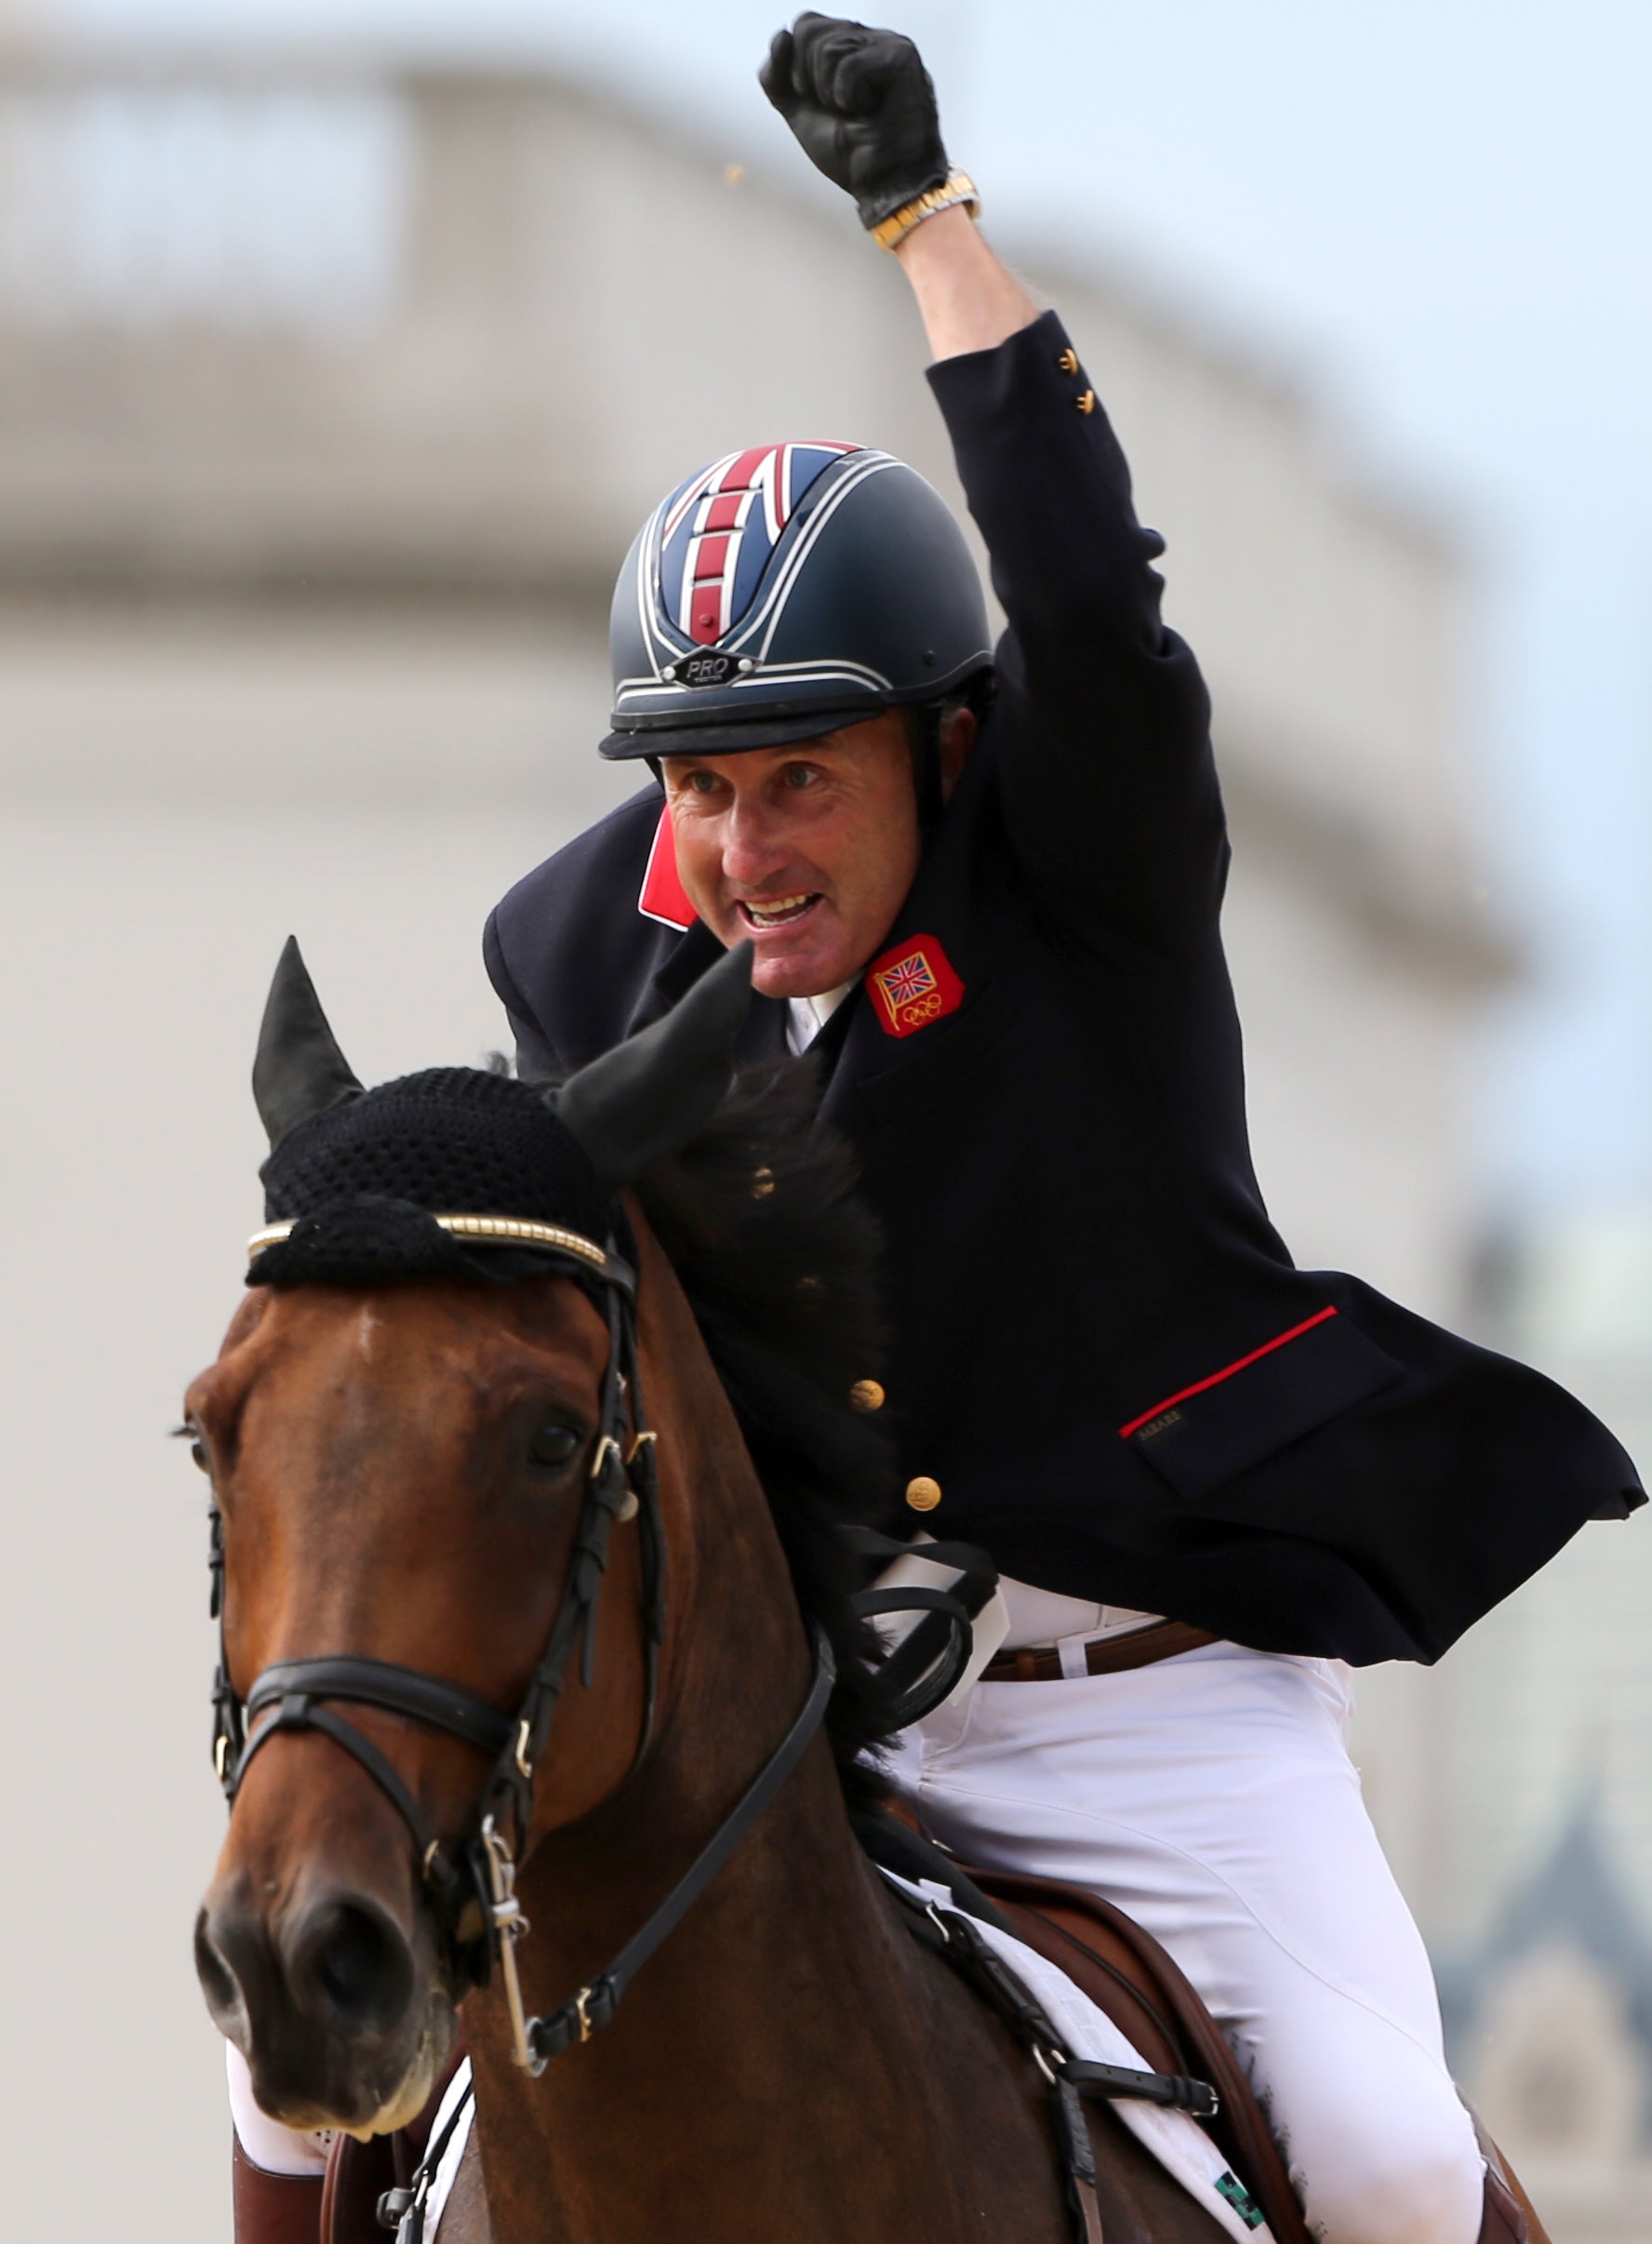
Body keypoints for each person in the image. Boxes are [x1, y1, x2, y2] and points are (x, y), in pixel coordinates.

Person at [483, 19, 1643, 2242]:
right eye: (698, 789)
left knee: (1400, 2171)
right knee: (349, 2026)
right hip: (797, 1739)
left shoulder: (1083, 867)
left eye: (800, 779)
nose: (741, 851)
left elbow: (1095, 600)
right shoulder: (580, 963)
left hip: (1149, 1726)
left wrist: (926, 225)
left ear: (944, 747)